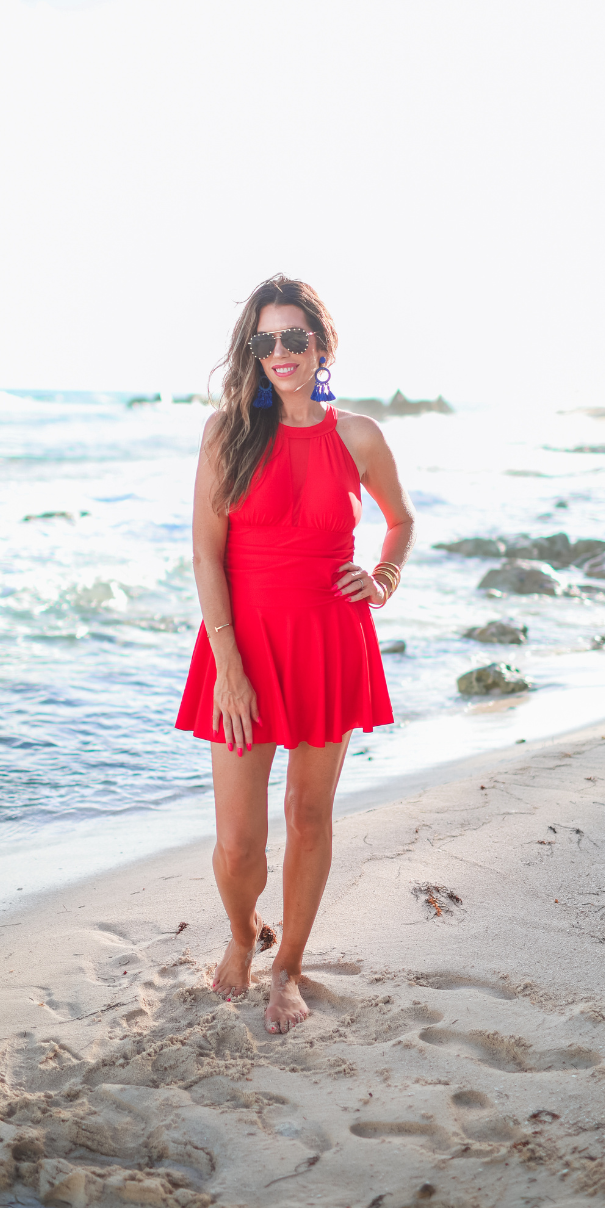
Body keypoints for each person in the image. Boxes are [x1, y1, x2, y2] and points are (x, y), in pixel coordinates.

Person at [176, 275, 415, 1034]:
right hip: (238, 648)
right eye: (265, 340)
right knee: (239, 843)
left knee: (309, 818)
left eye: (294, 337)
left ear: (322, 345)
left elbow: (400, 521)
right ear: (254, 350)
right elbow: (207, 559)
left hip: (327, 642)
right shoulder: (226, 434)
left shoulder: (360, 437)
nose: (280, 352)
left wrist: (381, 581)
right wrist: (230, 667)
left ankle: (287, 968)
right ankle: (245, 933)